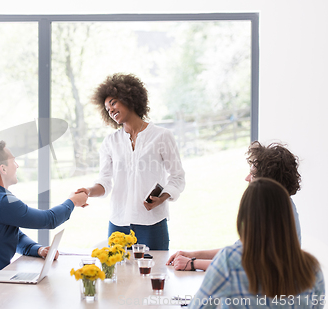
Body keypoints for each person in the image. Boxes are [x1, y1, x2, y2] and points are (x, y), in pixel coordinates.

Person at [75, 73, 185, 250]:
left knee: (153, 273)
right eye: (107, 108)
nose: (110, 110)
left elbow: (177, 177)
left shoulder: (162, 136)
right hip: (118, 223)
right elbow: (104, 182)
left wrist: (161, 198)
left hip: (152, 222)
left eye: (113, 103)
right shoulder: (110, 142)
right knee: (118, 276)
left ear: (129, 98)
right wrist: (88, 190)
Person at [188, 178, 324, 308]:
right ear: (288, 217)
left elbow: (198, 306)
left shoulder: (230, 260)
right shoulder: (312, 268)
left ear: (244, 217)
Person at [167, 141, 303, 271]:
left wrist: (193, 263)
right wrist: (192, 255)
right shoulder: (284, 205)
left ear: (266, 182)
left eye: (253, 174)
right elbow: (237, 252)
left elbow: (244, 265)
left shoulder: (271, 212)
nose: (247, 178)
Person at [0, 140, 89, 282]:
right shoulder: (1, 201)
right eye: (13, 161)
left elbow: (12, 234)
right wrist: (73, 202)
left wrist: (37, 249)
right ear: (3, 169)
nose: (17, 166)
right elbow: (48, 220)